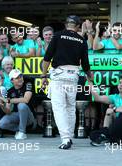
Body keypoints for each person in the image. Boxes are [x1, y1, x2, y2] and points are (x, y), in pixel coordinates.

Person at [41, 15, 92, 149]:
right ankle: (68, 136)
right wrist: (90, 77)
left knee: (59, 108)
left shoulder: (57, 36)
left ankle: (65, 139)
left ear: (66, 25)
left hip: (59, 76)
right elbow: (86, 64)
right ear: (77, 27)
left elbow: (47, 58)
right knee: (70, 107)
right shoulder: (82, 40)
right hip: (73, 77)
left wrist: (43, 76)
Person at [89, 76, 122, 146]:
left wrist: (114, 110)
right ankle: (109, 136)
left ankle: (106, 136)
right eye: (120, 83)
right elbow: (97, 98)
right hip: (121, 131)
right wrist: (90, 83)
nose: (121, 84)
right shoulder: (115, 97)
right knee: (92, 134)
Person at [0, 69, 35, 140]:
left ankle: (22, 132)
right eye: (17, 78)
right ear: (12, 81)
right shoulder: (9, 91)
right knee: (2, 123)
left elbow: (26, 100)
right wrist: (3, 107)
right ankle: (21, 129)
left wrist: (9, 100)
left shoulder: (28, 84)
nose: (20, 79)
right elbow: (8, 111)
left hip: (29, 117)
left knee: (21, 105)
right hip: (17, 116)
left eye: (21, 76)